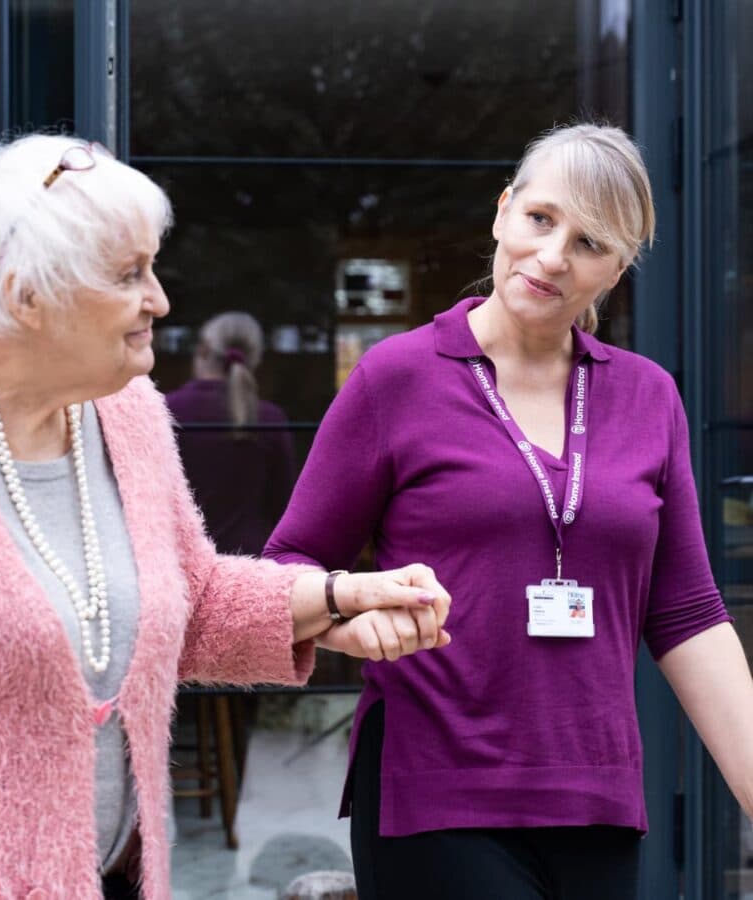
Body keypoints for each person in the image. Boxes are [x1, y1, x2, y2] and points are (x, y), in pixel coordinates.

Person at [0, 135, 451, 900]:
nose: (160, 300)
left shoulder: (125, 410)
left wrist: (333, 601)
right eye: (129, 276)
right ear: (27, 295)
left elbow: (196, 599)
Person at [264, 123, 753, 900]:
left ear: (618, 267)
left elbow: (688, 610)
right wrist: (346, 621)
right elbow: (288, 563)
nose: (554, 255)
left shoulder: (649, 396)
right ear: (502, 211)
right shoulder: (397, 378)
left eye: (590, 241)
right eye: (541, 218)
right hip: (434, 791)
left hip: (597, 797)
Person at [165, 311, 295, 556]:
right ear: (255, 359)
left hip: (180, 562)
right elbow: (284, 506)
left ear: (203, 350)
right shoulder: (269, 417)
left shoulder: (166, 410)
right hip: (249, 563)